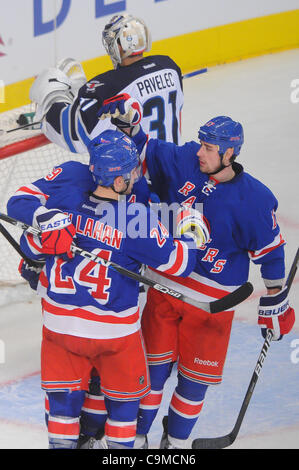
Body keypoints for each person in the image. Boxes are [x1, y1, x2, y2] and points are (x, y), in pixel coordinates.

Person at [99, 96, 296, 448]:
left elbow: (271, 255)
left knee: (193, 384)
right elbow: (146, 150)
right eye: (201, 144)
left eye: (209, 147)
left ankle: (174, 446)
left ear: (229, 154)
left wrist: (276, 302)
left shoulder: (254, 199)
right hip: (167, 287)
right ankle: (137, 438)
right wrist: (130, 125)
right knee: (152, 374)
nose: (200, 152)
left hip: (212, 308)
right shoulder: (185, 160)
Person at [9, 131, 210, 449]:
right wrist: (192, 227)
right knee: (124, 408)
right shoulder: (137, 220)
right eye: (132, 170)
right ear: (118, 181)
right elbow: (178, 262)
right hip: (114, 333)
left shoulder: (64, 198)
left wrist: (42, 229)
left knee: (62, 408)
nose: (137, 174)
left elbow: (27, 232)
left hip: (59, 326)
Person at [29, 13, 184, 159]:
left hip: (138, 179)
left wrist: (52, 97)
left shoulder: (108, 86)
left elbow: (74, 136)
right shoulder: (169, 66)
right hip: (174, 168)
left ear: (120, 47)